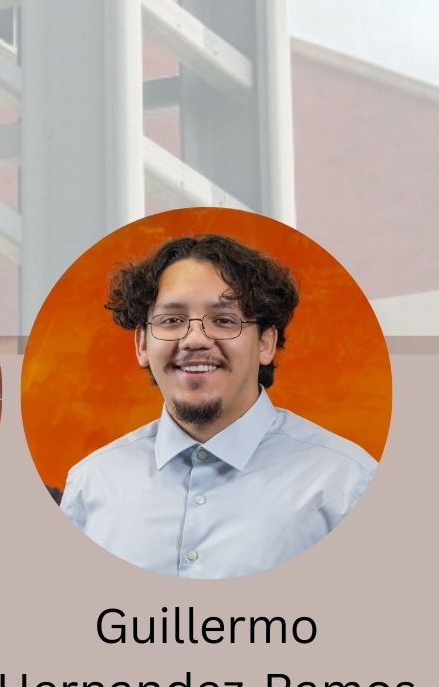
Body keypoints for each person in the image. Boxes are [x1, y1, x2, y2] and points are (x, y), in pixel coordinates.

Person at [59, 233, 375, 577]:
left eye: (224, 320)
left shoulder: (346, 485)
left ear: (266, 343)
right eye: (171, 320)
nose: (195, 339)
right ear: (142, 345)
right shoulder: (91, 485)